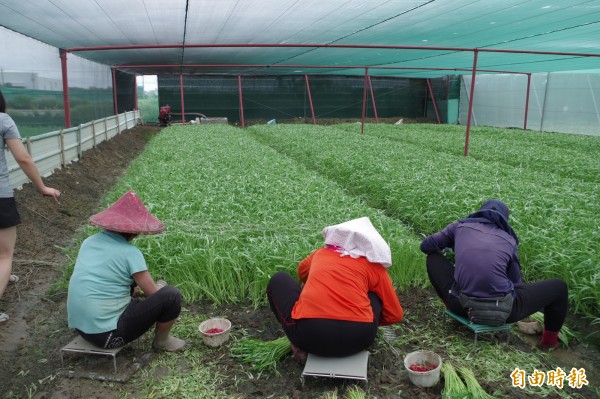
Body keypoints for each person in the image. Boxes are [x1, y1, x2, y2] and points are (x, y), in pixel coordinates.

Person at [420, 199, 568, 349]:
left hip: (461, 307)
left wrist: (449, 246)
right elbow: (516, 284)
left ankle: (452, 311)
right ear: (504, 220)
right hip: (504, 314)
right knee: (560, 287)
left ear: (480, 212)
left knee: (433, 257)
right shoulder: (509, 240)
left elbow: (426, 246)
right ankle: (548, 344)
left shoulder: (460, 226)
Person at [267, 217, 403, 361]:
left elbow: (302, 271)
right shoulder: (374, 266)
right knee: (374, 295)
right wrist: (362, 318)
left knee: (279, 279)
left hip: (309, 337)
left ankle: (297, 345)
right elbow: (395, 314)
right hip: (359, 339)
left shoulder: (321, 254)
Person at [67, 190, 186, 351]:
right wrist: (161, 287)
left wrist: (134, 291)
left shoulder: (88, 242)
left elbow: (107, 279)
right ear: (134, 232)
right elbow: (152, 293)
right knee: (171, 296)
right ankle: (162, 342)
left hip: (82, 329)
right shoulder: (130, 253)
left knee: (134, 293)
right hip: (108, 336)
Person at [0, 89, 61, 324]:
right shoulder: (3, 120)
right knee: (4, 255)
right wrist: (42, 187)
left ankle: (6, 276)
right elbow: (23, 158)